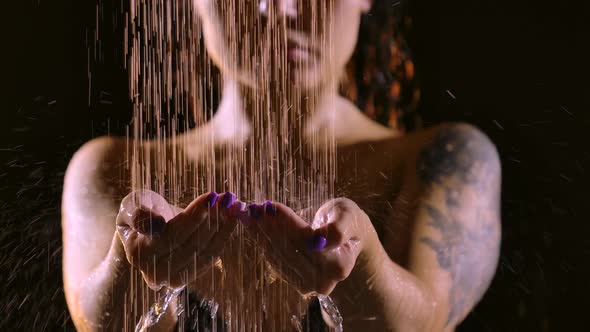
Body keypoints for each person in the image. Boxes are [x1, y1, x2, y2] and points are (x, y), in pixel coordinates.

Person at [62, 0, 501, 331]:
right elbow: (101, 325)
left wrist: (362, 257)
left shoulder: (442, 161)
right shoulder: (113, 168)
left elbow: (426, 321)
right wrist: (131, 262)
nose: (281, 9)